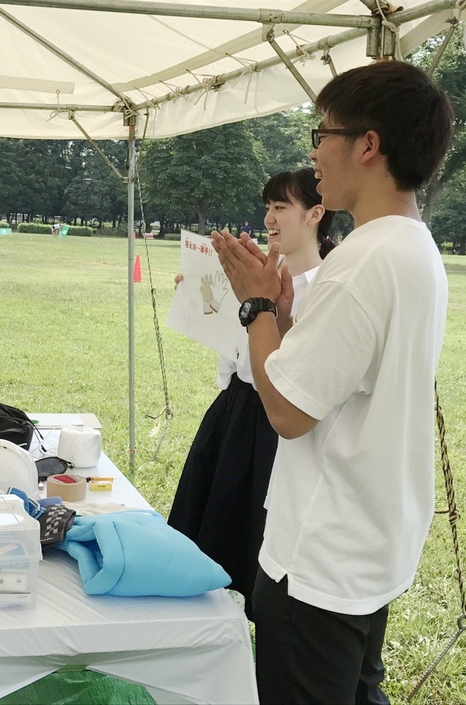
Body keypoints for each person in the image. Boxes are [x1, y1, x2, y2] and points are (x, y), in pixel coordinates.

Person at [212, 61, 453, 704]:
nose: (314, 153)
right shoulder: (414, 249)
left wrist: (257, 306)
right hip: (373, 542)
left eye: (322, 134)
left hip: (319, 557)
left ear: (367, 145)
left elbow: (289, 412)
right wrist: (288, 319)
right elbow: (347, 375)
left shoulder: (360, 261)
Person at [168, 169, 335, 616]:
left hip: (278, 419)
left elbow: (295, 370)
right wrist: (199, 300)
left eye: (281, 207)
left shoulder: (326, 286)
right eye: (267, 207)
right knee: (207, 529)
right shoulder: (257, 273)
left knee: (255, 538)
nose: (269, 218)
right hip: (234, 410)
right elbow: (234, 351)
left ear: (316, 214)